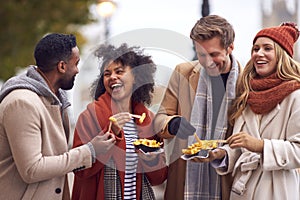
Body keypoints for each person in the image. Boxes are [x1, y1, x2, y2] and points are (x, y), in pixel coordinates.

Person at [0, 33, 116, 200]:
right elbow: (32, 169)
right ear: (62, 66)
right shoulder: (22, 103)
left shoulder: (54, 100)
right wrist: (89, 150)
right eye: (76, 63)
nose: (77, 70)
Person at [203, 22, 300, 199]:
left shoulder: (296, 96)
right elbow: (243, 147)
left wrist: (261, 146)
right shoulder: (247, 95)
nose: (258, 53)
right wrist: (222, 154)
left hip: (277, 190)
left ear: (281, 55)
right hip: (243, 190)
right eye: (255, 48)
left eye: (267, 48)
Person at [153, 15, 242, 200]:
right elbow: (160, 119)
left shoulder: (247, 82)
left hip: (227, 181)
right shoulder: (182, 73)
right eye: (202, 55)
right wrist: (172, 124)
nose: (208, 61)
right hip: (183, 181)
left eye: (214, 54)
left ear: (230, 47)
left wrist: (222, 154)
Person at [72, 43, 168, 200]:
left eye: (119, 71)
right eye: (107, 73)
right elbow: (79, 169)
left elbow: (158, 178)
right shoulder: (90, 116)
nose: (112, 77)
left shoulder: (148, 119)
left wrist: (152, 160)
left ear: (136, 76)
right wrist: (111, 133)